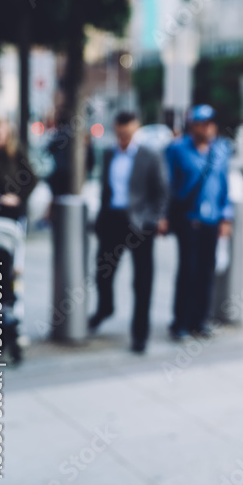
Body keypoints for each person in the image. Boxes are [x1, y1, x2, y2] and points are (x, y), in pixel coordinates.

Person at [87, 112, 169, 354]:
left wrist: (153, 219)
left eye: (128, 133)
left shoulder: (149, 155)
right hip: (112, 219)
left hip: (139, 224)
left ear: (136, 130)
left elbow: (162, 191)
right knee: (103, 271)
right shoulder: (109, 153)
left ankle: (140, 334)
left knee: (142, 280)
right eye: (120, 133)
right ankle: (105, 308)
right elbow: (105, 188)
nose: (124, 138)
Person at [164, 105, 232, 340]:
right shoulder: (177, 150)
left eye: (210, 123)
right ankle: (179, 322)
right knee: (187, 271)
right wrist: (164, 216)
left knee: (206, 271)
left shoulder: (222, 149)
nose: (207, 128)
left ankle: (200, 320)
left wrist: (226, 216)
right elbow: (169, 185)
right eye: (202, 124)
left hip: (212, 218)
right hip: (188, 218)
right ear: (193, 126)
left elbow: (225, 185)